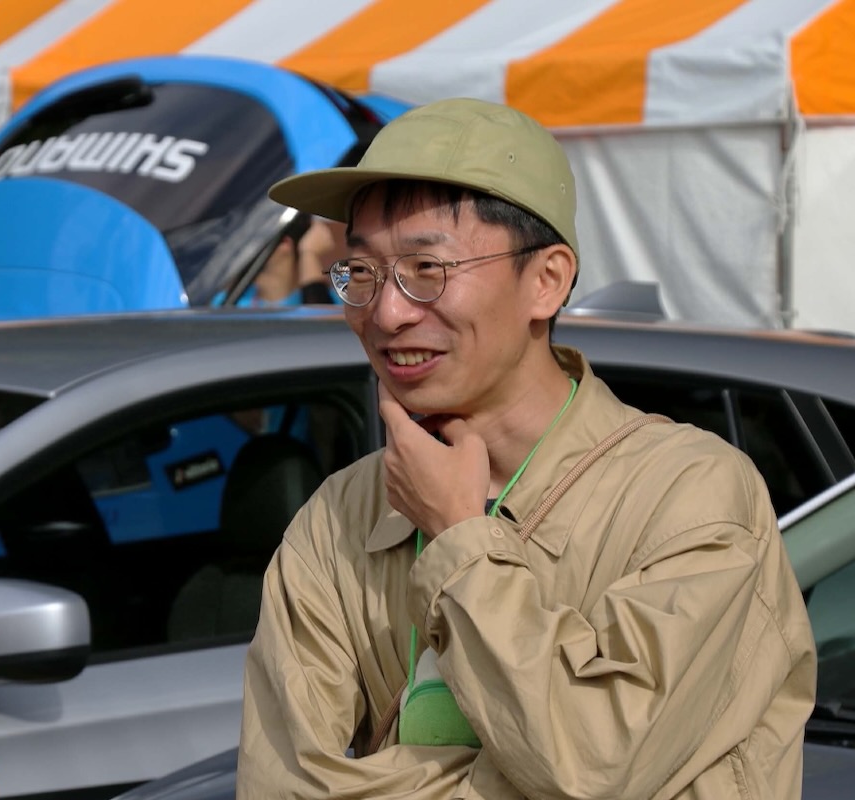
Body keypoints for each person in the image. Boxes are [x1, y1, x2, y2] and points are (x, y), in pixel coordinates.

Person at [236, 98, 816, 798]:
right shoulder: (341, 516)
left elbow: (593, 767)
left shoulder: (691, 494)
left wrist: (459, 536)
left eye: (426, 268)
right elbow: (280, 786)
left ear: (547, 281)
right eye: (361, 271)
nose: (386, 312)